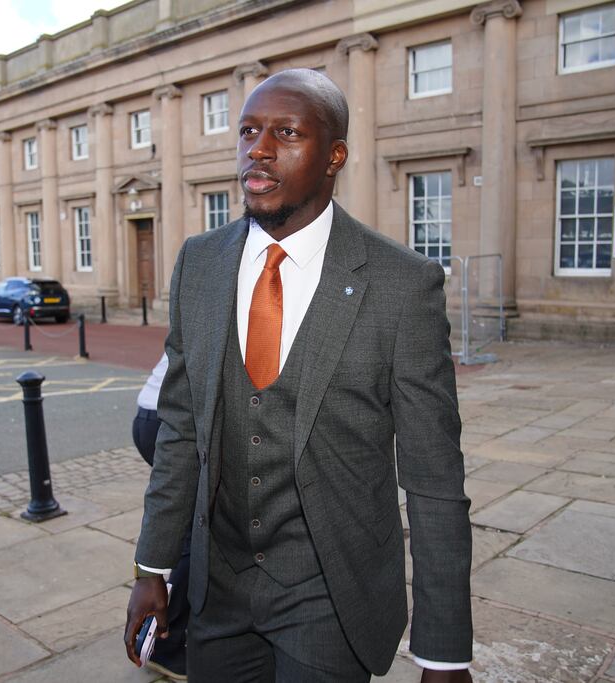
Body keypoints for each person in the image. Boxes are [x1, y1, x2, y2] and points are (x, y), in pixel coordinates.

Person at [125, 68, 472, 682]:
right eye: (249, 132)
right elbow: (179, 431)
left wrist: (443, 651)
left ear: (334, 155)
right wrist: (153, 570)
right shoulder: (199, 265)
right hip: (218, 590)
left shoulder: (401, 285)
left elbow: (434, 478)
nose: (258, 150)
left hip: (330, 595)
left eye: (286, 133)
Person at [131, 352, 189, 680]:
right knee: (191, 541)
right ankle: (164, 648)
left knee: (191, 531)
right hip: (163, 422)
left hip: (150, 414)